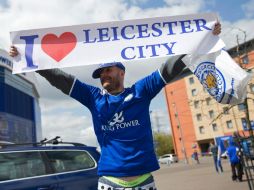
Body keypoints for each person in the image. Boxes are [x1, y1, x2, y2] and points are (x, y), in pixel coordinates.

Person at [9, 23, 221, 190]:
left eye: (108, 70)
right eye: (100, 73)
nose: (103, 76)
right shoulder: (94, 98)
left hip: (144, 181)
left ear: (121, 72)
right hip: (110, 182)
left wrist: (202, 39)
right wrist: (29, 59)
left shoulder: (141, 91)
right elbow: (61, 80)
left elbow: (169, 69)